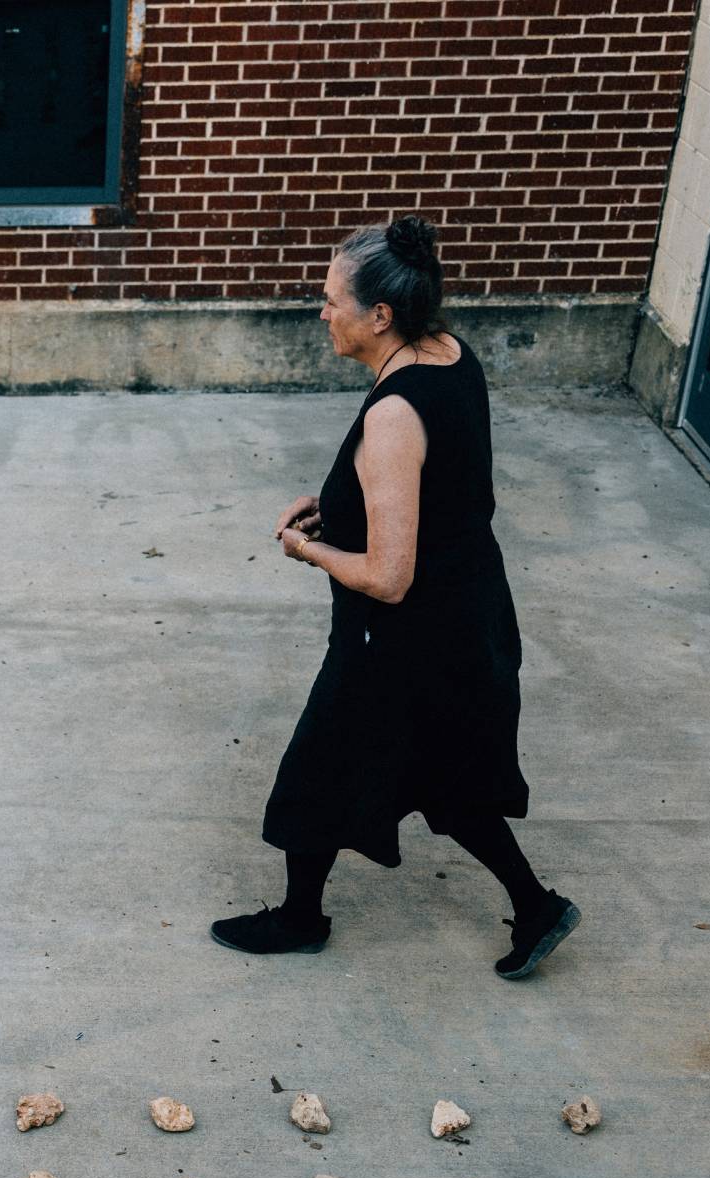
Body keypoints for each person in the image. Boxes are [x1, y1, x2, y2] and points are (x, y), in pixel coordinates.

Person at [211, 216, 579, 980]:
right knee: (450, 777)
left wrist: (308, 547)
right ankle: (536, 905)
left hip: (402, 643)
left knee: (314, 773)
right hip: (469, 615)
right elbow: (430, 489)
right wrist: (342, 504)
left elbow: (387, 576)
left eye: (331, 300)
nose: (322, 313)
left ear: (380, 316)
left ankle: (301, 919)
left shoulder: (392, 414)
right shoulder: (447, 355)